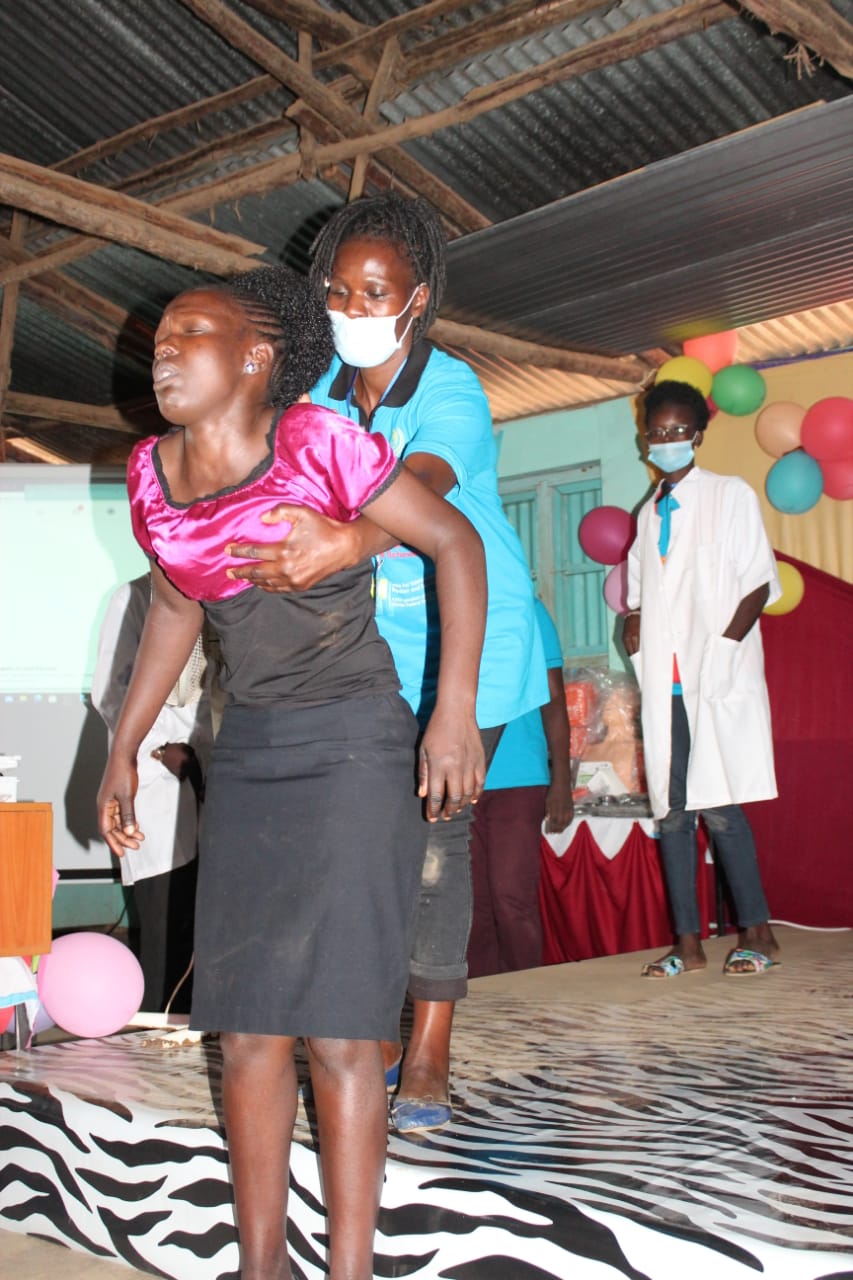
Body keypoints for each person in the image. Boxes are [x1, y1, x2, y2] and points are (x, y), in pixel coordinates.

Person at [96, 265, 487, 1280]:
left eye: (191, 330)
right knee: (249, 1025)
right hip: (256, 750)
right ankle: (262, 1265)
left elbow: (454, 541)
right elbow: (178, 606)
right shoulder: (153, 472)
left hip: (355, 741)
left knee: (341, 1031)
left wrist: (449, 712)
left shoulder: (313, 443)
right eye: (160, 336)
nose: (166, 347)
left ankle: (349, 1270)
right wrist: (123, 746)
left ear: (260, 356)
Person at [225, 192, 548, 1132]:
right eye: (340, 291)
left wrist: (343, 544)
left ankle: (434, 1043)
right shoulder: (319, 392)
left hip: (469, 638)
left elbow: (426, 490)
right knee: (367, 843)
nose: (354, 310)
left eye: (377, 293)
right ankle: (363, 1024)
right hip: (370, 652)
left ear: (416, 301)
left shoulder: (450, 389)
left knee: (438, 836)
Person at [623, 379, 782, 980]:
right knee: (671, 812)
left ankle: (758, 934)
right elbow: (639, 592)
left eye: (675, 432)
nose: (664, 441)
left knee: (719, 807)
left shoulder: (728, 495)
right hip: (664, 685)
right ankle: (686, 944)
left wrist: (721, 651)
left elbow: (757, 583)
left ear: (698, 436)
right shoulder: (647, 513)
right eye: (654, 433)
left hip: (711, 675)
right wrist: (634, 622)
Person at [91, 573, 215, 1013]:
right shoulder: (134, 597)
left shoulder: (230, 593)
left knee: (220, 927)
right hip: (155, 783)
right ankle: (158, 1035)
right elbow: (113, 696)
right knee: (169, 926)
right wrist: (168, 748)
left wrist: (202, 752)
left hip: (222, 780)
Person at [467, 597, 573, 977]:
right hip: (460, 773)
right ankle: (481, 998)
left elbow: (554, 697)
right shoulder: (444, 601)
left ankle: (528, 992)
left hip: (518, 775)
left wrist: (561, 778)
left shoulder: (526, 608)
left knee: (511, 897)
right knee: (469, 904)